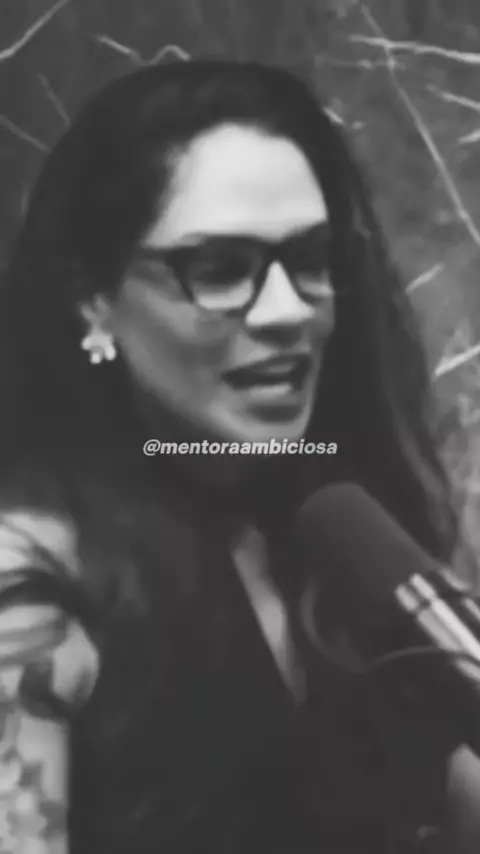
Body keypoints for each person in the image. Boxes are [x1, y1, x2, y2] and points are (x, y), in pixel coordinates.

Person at [0, 57, 478, 854]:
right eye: (219, 270)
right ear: (93, 296)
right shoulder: (28, 579)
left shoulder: (341, 541)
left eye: (312, 260)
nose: (288, 311)